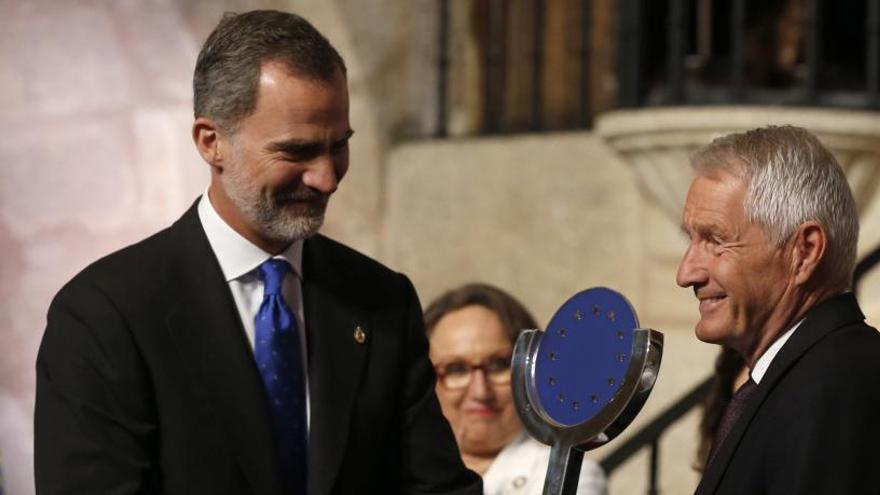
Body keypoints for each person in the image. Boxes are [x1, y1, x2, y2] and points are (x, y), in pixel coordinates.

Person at [34, 10, 481, 495]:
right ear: (211, 143)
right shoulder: (106, 315)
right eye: (297, 151)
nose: (327, 178)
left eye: (339, 146)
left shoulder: (381, 301)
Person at [676, 125, 880, 494]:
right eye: (691, 240)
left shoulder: (836, 385)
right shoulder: (792, 379)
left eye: (716, 240)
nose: (686, 273)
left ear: (804, 252)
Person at [424, 283, 607, 495]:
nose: (481, 391)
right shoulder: (394, 466)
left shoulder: (568, 474)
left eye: (499, 365)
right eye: (456, 369)